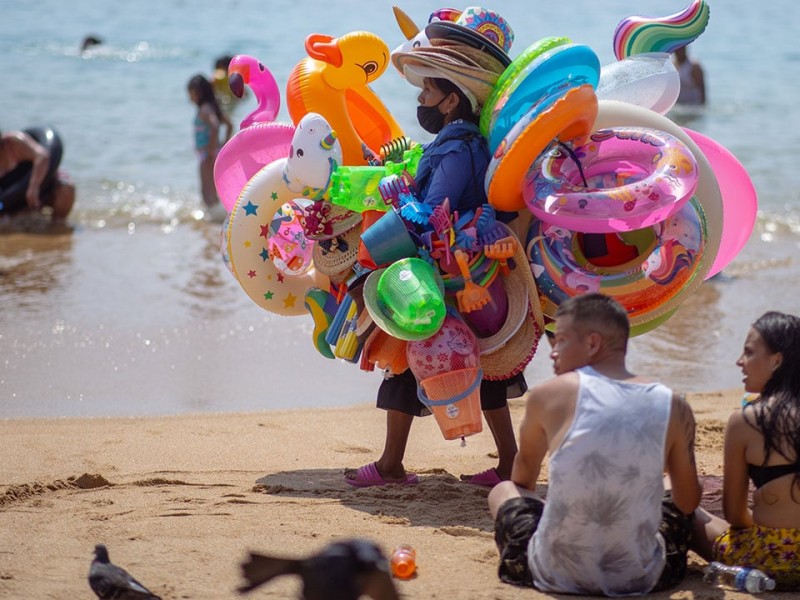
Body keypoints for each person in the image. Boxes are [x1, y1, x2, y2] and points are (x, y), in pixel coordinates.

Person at [345, 10, 528, 489]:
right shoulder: (469, 142)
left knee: (410, 360)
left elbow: (432, 212)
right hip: (469, 267)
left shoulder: (454, 148)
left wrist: (397, 193)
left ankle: (390, 466)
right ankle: (508, 462)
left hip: (446, 271)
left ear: (452, 99)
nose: (421, 99)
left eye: (428, 91)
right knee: (484, 370)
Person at [488, 293, 702, 595]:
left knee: (504, 490)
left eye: (560, 340)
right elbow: (688, 502)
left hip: (553, 572)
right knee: (667, 483)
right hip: (642, 578)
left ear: (592, 343)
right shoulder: (674, 404)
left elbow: (524, 481)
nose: (552, 352)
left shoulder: (547, 395)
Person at [692, 311, 800, 590]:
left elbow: (735, 514)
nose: (739, 362)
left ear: (776, 360)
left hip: (767, 561)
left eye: (749, 353)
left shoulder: (746, 421)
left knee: (692, 516)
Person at [0, 128, 75, 226]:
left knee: (66, 188)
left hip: (40, 186)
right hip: (10, 200)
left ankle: (57, 227)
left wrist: (33, 188)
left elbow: (42, 157)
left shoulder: (13, 142)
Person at [187, 74, 232, 210]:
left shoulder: (205, 109)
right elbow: (229, 125)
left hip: (207, 155)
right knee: (212, 189)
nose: (190, 97)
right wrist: (223, 146)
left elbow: (215, 125)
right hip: (212, 153)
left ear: (199, 93)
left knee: (206, 190)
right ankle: (217, 214)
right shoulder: (212, 107)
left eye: (191, 93)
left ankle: (211, 217)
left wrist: (212, 150)